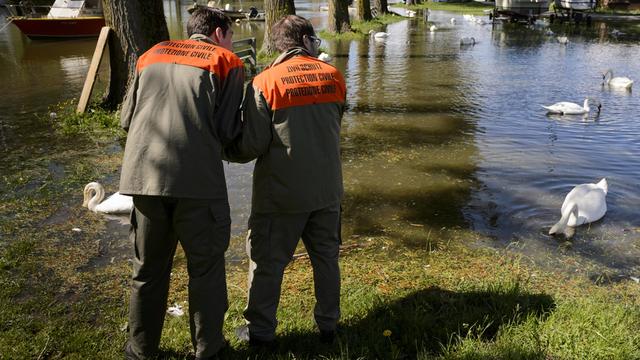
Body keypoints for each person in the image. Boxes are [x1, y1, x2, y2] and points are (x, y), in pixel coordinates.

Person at [119, 8, 244, 360]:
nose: (231, 41)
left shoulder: (150, 55)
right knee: (205, 269)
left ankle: (140, 351)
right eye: (230, 34)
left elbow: (127, 118)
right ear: (219, 33)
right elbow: (228, 131)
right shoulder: (227, 62)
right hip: (198, 184)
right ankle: (209, 350)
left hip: (144, 179)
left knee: (147, 269)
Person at [224, 14, 347, 345]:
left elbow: (251, 145)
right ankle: (328, 326)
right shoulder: (334, 76)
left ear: (278, 44)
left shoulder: (265, 82)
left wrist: (220, 147)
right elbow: (335, 120)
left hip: (281, 195)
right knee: (326, 260)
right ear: (306, 41)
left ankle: (261, 334)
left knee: (266, 264)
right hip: (327, 191)